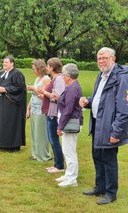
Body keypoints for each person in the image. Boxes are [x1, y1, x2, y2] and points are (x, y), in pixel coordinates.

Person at [79, 47, 128, 205]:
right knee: (97, 157)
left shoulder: (121, 78)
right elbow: (99, 99)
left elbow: (123, 108)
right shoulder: (101, 75)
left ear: (113, 59)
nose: (101, 61)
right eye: (99, 58)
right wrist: (88, 101)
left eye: (105, 58)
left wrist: (116, 132)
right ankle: (100, 187)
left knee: (109, 160)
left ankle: (110, 193)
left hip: (109, 127)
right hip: (97, 124)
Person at [53, 63, 83, 187]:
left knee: (69, 152)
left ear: (69, 76)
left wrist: (60, 127)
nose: (62, 77)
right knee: (68, 151)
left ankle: (72, 179)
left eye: (64, 75)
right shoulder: (72, 86)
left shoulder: (72, 88)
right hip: (70, 121)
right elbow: (67, 104)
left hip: (71, 123)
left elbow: (69, 109)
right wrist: (59, 98)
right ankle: (69, 174)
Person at [0, 56, 27, 152]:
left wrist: (6, 89)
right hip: (2, 103)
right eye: (3, 62)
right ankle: (2, 144)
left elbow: (20, 88)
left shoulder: (17, 74)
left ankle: (12, 146)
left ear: (12, 63)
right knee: (2, 123)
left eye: (6, 62)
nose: (4, 64)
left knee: (10, 123)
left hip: (12, 105)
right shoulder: (3, 73)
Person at [38, 57, 66, 173]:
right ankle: (56, 164)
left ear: (53, 67)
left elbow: (58, 97)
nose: (47, 68)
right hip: (49, 112)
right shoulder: (53, 78)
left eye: (48, 66)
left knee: (54, 139)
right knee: (52, 139)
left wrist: (43, 92)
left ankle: (59, 165)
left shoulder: (59, 79)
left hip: (53, 113)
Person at [26, 59, 52, 161]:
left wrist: (34, 89)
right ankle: (36, 154)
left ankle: (44, 155)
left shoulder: (46, 79)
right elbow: (33, 97)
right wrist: (28, 109)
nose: (33, 70)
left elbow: (45, 96)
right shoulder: (37, 79)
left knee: (41, 134)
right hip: (34, 109)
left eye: (34, 68)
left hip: (41, 110)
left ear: (39, 68)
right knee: (34, 133)